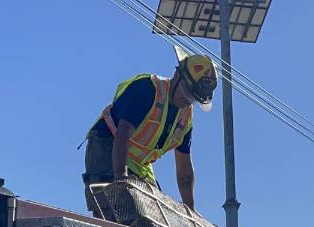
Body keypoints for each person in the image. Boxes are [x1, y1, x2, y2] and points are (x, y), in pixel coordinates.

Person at [83, 53, 217, 212]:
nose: (187, 100)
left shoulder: (185, 118)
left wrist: (191, 213)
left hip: (138, 163)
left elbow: (184, 170)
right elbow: (122, 134)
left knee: (155, 212)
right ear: (177, 76)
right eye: (187, 92)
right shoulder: (148, 89)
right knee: (119, 207)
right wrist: (121, 179)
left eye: (193, 98)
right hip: (107, 145)